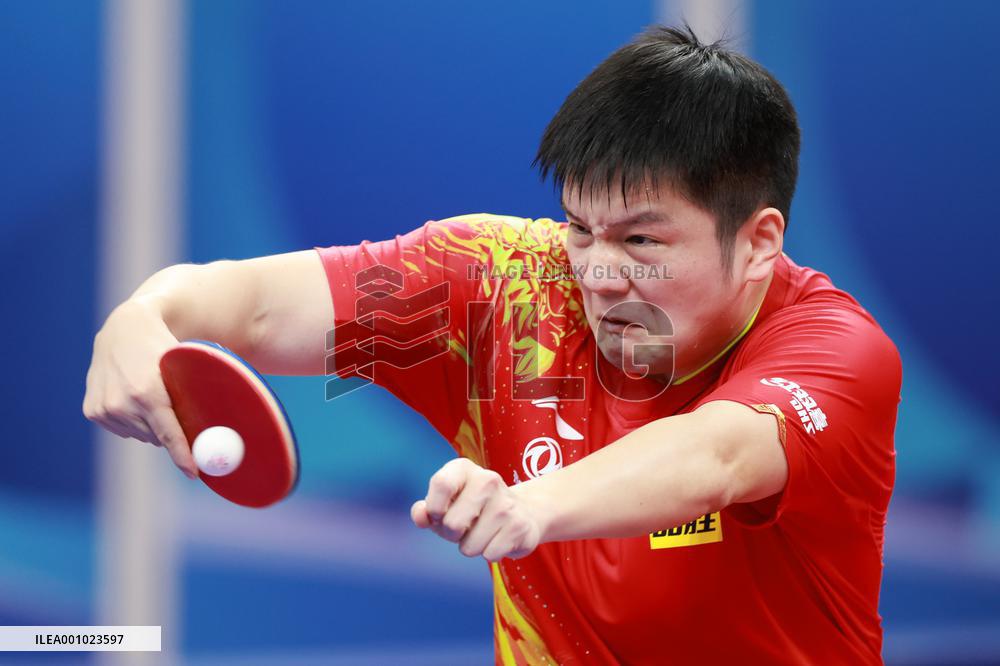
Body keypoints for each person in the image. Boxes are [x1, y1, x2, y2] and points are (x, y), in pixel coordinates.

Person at [84, 25, 901, 665]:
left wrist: (530, 506)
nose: (599, 273)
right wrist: (144, 316)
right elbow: (256, 307)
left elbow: (718, 456)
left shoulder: (837, 350)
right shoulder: (497, 283)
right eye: (581, 228)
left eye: (642, 241)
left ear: (758, 242)